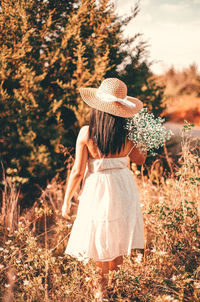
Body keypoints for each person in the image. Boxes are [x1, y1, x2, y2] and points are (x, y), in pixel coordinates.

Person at [62, 78, 146, 294]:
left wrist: (66, 201)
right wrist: (141, 136)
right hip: (122, 186)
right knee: (118, 235)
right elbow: (140, 159)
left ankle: (100, 293)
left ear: (97, 106)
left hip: (97, 188)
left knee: (99, 236)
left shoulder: (86, 133)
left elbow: (77, 171)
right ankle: (114, 291)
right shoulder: (129, 133)